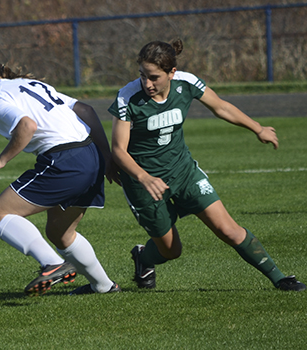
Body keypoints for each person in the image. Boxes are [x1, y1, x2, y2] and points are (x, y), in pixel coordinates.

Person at [108, 39, 305, 291]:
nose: (147, 83)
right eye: (142, 76)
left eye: (154, 77)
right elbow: (118, 150)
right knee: (171, 250)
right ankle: (143, 258)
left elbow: (221, 107)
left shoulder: (186, 83)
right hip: (143, 184)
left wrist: (258, 128)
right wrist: (144, 177)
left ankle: (280, 278)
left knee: (228, 229)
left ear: (172, 73)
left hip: (184, 172)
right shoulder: (128, 96)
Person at [0, 51, 120, 296]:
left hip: (66, 161)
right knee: (60, 233)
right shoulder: (29, 84)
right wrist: (106, 155)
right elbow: (84, 109)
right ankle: (104, 286)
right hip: (91, 155)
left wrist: (1, 160)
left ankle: (53, 264)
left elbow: (27, 125)